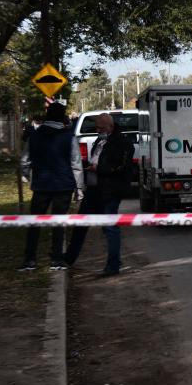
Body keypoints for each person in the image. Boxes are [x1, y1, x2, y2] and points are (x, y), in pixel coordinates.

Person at [63, 113, 133, 276]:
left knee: (110, 228)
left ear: (111, 126)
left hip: (110, 192)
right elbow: (96, 158)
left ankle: (113, 266)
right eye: (97, 128)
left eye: (101, 128)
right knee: (81, 225)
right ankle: (68, 258)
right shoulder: (100, 140)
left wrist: (99, 168)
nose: (98, 130)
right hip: (94, 190)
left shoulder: (122, 143)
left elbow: (121, 167)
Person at [20, 102, 83, 271]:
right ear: (63, 118)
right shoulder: (69, 137)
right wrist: (79, 189)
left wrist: (27, 177)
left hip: (41, 185)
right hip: (63, 186)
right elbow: (76, 164)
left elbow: (24, 161)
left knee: (35, 223)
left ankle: (30, 260)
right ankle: (56, 259)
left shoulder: (34, 136)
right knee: (58, 223)